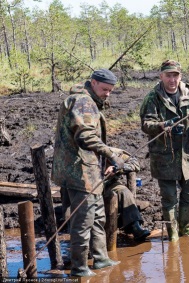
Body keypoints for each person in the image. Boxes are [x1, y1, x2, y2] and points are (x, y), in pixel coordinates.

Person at [52, 69, 122, 277]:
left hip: (88, 169)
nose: (107, 94)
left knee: (98, 214)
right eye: (104, 89)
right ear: (92, 83)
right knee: (83, 221)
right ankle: (79, 267)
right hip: (78, 171)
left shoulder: (87, 99)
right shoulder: (83, 102)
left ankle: (100, 258)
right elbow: (85, 136)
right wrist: (111, 154)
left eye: (110, 90)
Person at [139, 59, 189, 242]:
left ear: (180, 76)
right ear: (161, 76)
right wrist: (163, 125)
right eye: (168, 75)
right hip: (165, 156)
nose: (172, 80)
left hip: (188, 154)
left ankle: (185, 228)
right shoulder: (153, 97)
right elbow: (146, 125)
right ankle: (172, 234)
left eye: (175, 75)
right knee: (169, 198)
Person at [103, 148, 151, 241]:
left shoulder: (115, 153)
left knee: (124, 192)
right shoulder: (85, 154)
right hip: (89, 188)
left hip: (110, 185)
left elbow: (135, 164)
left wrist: (117, 167)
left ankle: (135, 226)